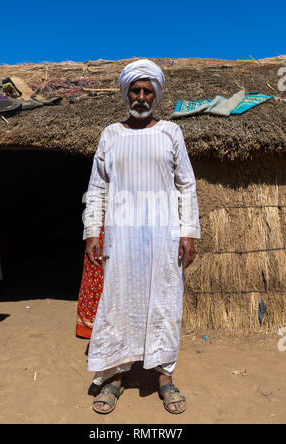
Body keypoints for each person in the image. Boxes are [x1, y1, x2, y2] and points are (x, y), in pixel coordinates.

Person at [83, 59, 200, 414]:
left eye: (148, 90)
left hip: (163, 237)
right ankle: (116, 377)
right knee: (120, 302)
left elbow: (186, 185)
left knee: (164, 302)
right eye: (135, 90)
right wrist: (92, 231)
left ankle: (163, 377)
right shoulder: (110, 135)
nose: (141, 96)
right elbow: (97, 187)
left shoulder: (171, 134)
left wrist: (189, 231)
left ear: (157, 96)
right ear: (126, 93)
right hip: (122, 239)